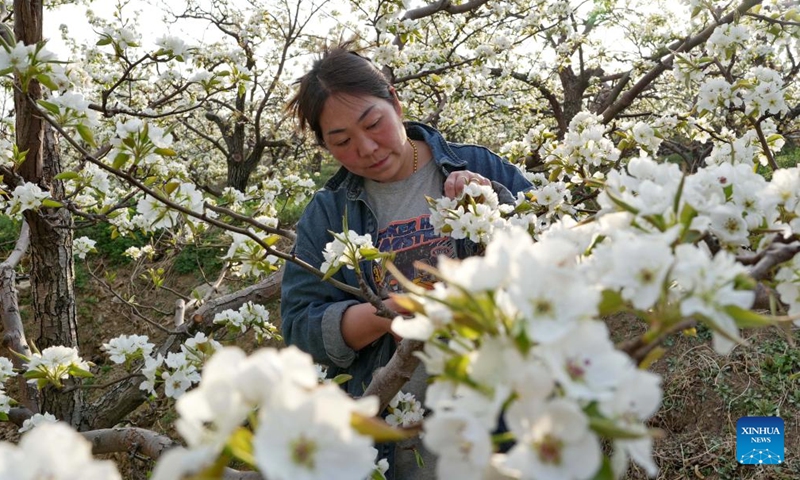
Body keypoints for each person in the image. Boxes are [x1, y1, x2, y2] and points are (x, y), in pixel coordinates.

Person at [280, 44, 532, 479]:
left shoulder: (477, 167)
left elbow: (551, 262)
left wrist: (493, 205)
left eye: (373, 123)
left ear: (395, 102)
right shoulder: (328, 214)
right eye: (341, 142)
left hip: (501, 421)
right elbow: (301, 326)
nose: (367, 148)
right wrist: (387, 313)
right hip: (396, 444)